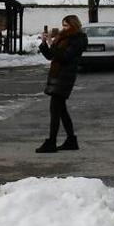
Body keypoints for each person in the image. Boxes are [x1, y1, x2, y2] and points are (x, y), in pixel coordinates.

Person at [35, 14, 88, 153]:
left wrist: (53, 44)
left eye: (66, 25)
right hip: (57, 76)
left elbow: (65, 57)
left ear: (74, 25)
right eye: (63, 25)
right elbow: (51, 56)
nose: (63, 28)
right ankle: (71, 140)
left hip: (65, 77)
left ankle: (51, 142)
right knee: (61, 110)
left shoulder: (78, 39)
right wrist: (44, 43)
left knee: (55, 110)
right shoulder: (63, 38)